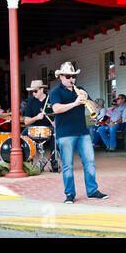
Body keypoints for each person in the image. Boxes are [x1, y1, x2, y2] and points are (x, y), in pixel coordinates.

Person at [49, 61, 108, 204]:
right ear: (61, 77)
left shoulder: (80, 89)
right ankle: (69, 194)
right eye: (68, 76)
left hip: (82, 132)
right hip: (65, 133)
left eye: (73, 76)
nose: (71, 79)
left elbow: (95, 107)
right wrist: (75, 103)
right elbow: (56, 109)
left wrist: (86, 99)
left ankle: (92, 191)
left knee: (90, 162)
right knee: (68, 165)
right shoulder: (56, 92)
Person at [23, 80, 58, 172]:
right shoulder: (31, 102)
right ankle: (27, 160)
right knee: (23, 135)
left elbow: (60, 114)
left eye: (35, 91)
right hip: (34, 128)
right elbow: (26, 121)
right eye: (32, 92)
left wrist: (56, 122)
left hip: (49, 128)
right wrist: (36, 117)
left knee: (55, 133)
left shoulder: (51, 99)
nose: (33, 94)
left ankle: (54, 161)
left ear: (42, 89)